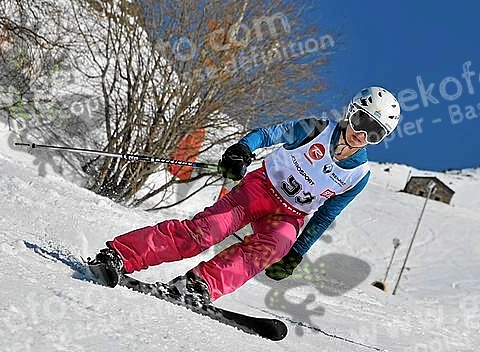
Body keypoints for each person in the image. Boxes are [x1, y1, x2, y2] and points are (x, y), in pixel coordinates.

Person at [88, 86, 401, 306]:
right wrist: (242, 149)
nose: (362, 134)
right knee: (206, 232)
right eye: (361, 122)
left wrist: (296, 254)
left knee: (276, 245)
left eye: (374, 133)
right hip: (259, 189)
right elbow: (268, 134)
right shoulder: (315, 129)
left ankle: (199, 285)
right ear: (352, 112)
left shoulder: (358, 176)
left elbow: (325, 216)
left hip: (288, 215)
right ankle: (121, 255)